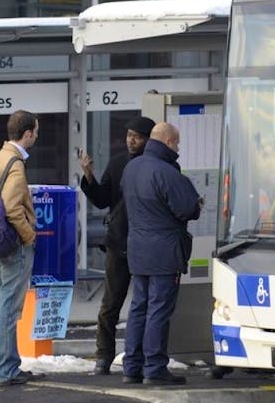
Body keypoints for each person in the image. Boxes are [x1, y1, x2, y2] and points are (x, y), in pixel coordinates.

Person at [120, 122, 202, 385]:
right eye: (177, 143)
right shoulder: (167, 172)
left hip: (137, 249)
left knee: (138, 308)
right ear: (168, 141)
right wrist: (197, 204)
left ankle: (131, 367)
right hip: (165, 252)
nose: (178, 149)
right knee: (158, 309)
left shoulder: (131, 168)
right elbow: (187, 209)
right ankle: (154, 367)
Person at [78, 115, 155, 375]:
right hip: (119, 241)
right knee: (111, 304)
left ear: (148, 140)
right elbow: (102, 199)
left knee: (145, 305)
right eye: (129, 135)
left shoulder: (157, 166)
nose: (131, 141)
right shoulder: (118, 162)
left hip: (145, 244)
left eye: (137, 137)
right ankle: (104, 356)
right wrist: (88, 175)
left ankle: (141, 355)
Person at [0, 110, 45, 386]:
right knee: (9, 307)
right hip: (14, 242)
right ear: (27, 133)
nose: (37, 136)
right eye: (36, 131)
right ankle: (7, 369)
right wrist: (29, 236)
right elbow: (12, 208)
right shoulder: (16, 164)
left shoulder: (0, 156)